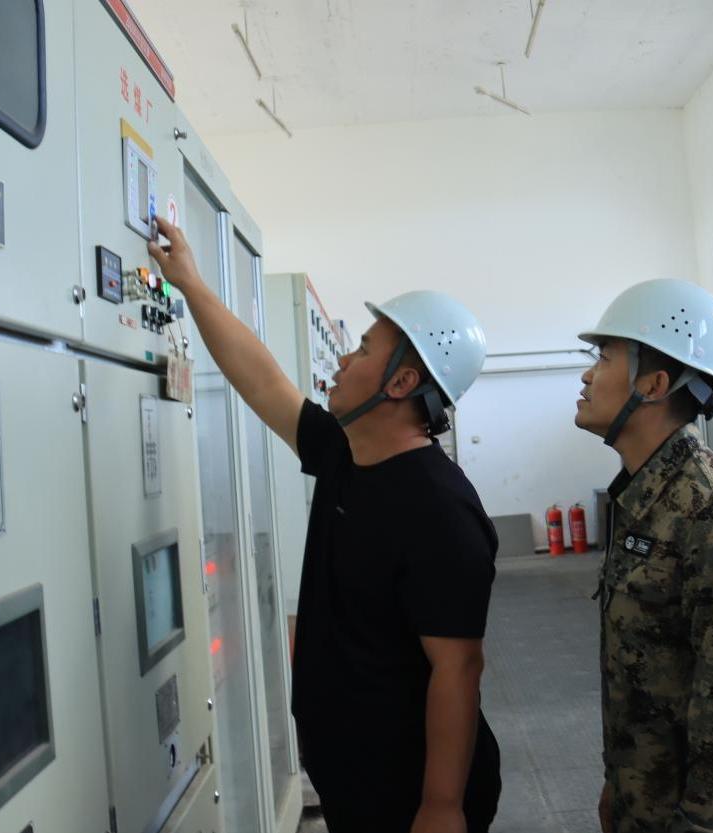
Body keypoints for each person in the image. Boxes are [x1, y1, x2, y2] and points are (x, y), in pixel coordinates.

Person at [148, 216, 501, 833]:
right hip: (353, 771)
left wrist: (441, 805)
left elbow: (458, 667)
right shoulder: (346, 454)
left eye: (362, 349)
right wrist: (190, 284)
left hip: (408, 787)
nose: (342, 358)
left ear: (402, 382)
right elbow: (262, 380)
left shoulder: (439, 509)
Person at [575, 278, 713, 833]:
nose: (586, 375)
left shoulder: (709, 507)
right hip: (651, 802)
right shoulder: (646, 493)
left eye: (603, 358)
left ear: (653, 384)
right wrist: (622, 783)